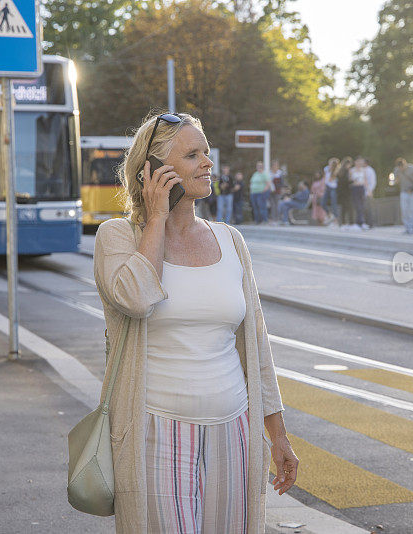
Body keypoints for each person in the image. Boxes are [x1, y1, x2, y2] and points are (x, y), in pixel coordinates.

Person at [93, 112, 298, 533]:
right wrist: (156, 219)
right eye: (192, 154)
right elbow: (135, 298)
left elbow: (256, 345)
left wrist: (278, 436)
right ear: (153, 171)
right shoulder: (118, 237)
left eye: (206, 151)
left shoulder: (231, 240)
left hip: (234, 432)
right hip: (155, 433)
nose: (208, 162)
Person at [394, 157, 413, 234]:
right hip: (403, 192)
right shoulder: (397, 170)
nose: (401, 169)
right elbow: (396, 181)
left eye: (402, 167)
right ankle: (407, 227)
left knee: (412, 210)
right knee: (404, 210)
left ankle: (412, 227)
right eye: (400, 167)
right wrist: (395, 181)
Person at [348, 158, 369, 229]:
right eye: (358, 162)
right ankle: (358, 222)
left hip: (361, 188)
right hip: (355, 188)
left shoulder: (363, 170)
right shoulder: (352, 170)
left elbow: (365, 180)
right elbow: (350, 180)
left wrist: (368, 190)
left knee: (362, 205)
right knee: (357, 206)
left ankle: (361, 222)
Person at [335, 156, 354, 227]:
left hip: (341, 192)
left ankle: (343, 222)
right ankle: (350, 222)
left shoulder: (339, 171)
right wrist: (352, 181)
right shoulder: (345, 171)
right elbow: (345, 181)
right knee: (349, 207)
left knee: (343, 207)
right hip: (346, 191)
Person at [322, 157, 340, 225]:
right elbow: (325, 178)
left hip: (333, 188)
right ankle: (330, 215)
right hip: (327, 187)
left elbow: (330, 179)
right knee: (323, 203)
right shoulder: (326, 169)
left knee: (333, 204)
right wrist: (323, 186)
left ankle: (336, 220)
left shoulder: (337, 171)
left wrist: (333, 171)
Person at [362, 157, 377, 229]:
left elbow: (373, 182)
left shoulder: (370, 170)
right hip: (362, 191)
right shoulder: (361, 170)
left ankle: (370, 223)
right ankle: (364, 222)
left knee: (369, 208)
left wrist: (369, 191)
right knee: (363, 208)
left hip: (368, 191)